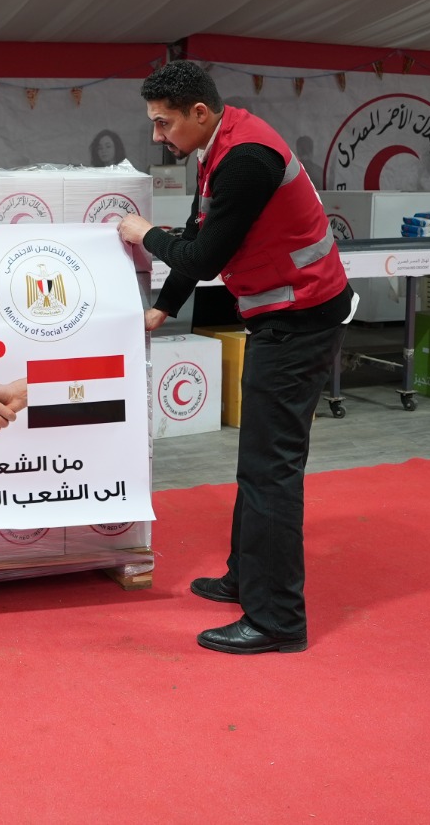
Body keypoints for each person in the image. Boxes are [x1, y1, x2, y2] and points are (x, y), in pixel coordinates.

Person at [116, 60, 355, 656]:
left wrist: (144, 234)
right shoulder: (220, 146)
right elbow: (202, 232)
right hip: (285, 317)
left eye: (163, 123)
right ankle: (245, 578)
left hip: (299, 323)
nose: (157, 136)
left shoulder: (246, 159)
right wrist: (163, 309)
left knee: (271, 471)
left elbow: (200, 257)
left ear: (199, 112)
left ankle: (278, 621)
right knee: (257, 464)